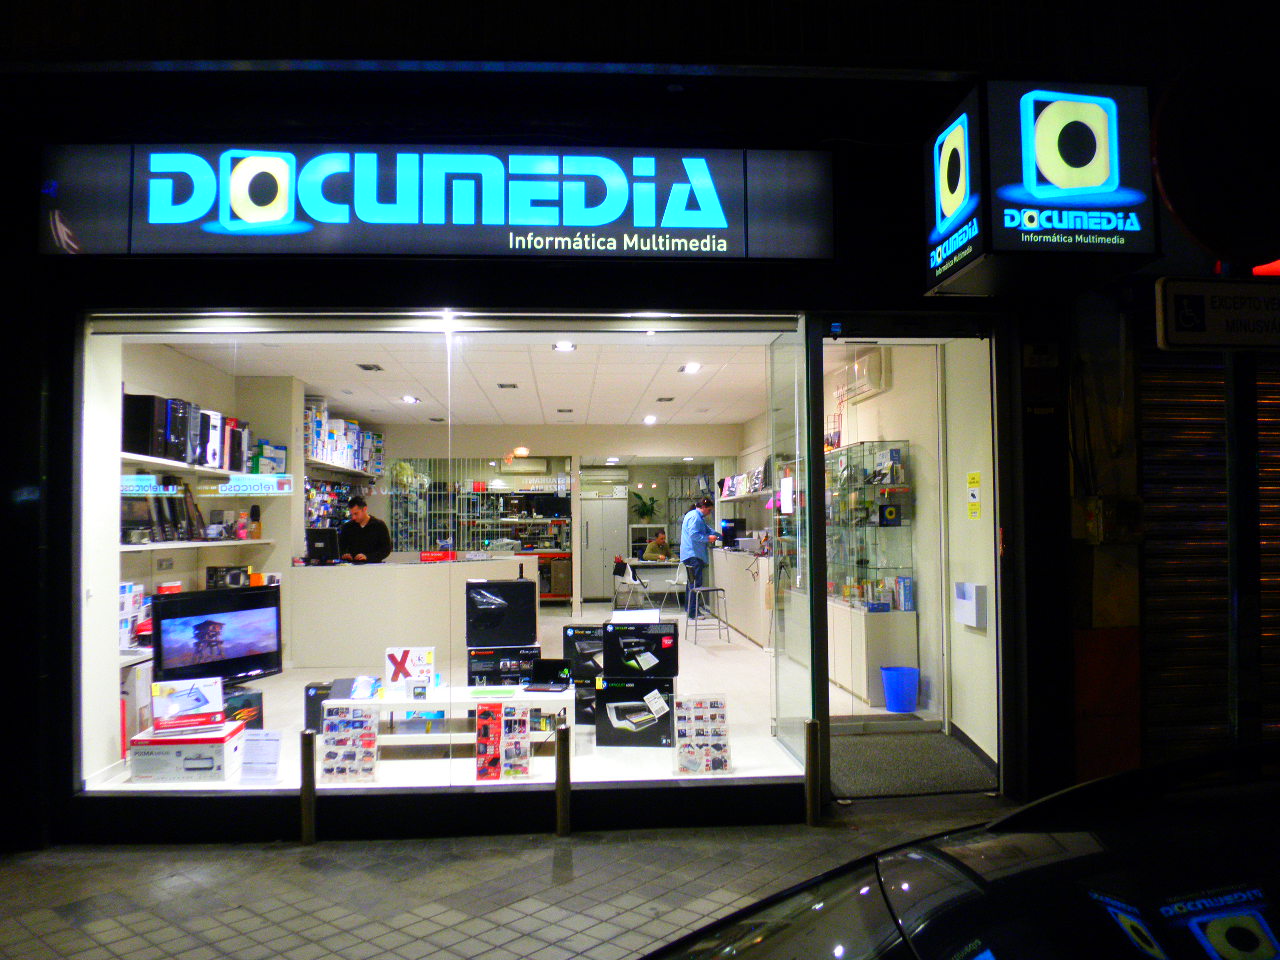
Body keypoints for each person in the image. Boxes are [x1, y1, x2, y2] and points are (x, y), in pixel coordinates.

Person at [679, 497, 719, 618]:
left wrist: (720, 536)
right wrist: (708, 539)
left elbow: (707, 530)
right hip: (694, 555)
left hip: (689, 554)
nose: (709, 513)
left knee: (691, 584)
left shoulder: (694, 516)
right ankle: (693, 612)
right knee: (695, 584)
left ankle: (689, 609)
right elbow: (694, 535)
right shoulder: (695, 517)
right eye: (709, 510)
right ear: (704, 507)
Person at [339, 495, 391, 563]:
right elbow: (340, 547)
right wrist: (344, 555)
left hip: (374, 565)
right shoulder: (347, 527)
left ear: (364, 509)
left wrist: (368, 557)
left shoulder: (379, 525)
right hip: (351, 566)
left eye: (356, 514)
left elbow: (386, 549)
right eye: (351, 515)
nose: (353, 517)